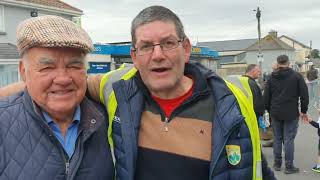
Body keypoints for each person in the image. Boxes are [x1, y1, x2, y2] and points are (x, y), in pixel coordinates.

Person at [0, 6, 276, 180]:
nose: (157, 55)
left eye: (168, 43)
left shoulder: (231, 101)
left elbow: (254, 167)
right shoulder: (117, 93)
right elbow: (57, 84)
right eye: (146, 46)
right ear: (134, 55)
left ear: (186, 48)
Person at [0, 15, 114, 180]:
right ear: (23, 72)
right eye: (47, 67)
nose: (63, 79)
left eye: (74, 66)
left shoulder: (109, 120)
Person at [264, 54, 309, 174]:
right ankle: (289, 166)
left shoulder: (271, 77)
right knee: (289, 139)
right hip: (291, 112)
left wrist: (269, 110)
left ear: (278, 63)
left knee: (277, 138)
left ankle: (277, 163)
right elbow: (304, 95)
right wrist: (304, 111)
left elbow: (266, 96)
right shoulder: (297, 76)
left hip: (276, 112)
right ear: (288, 63)